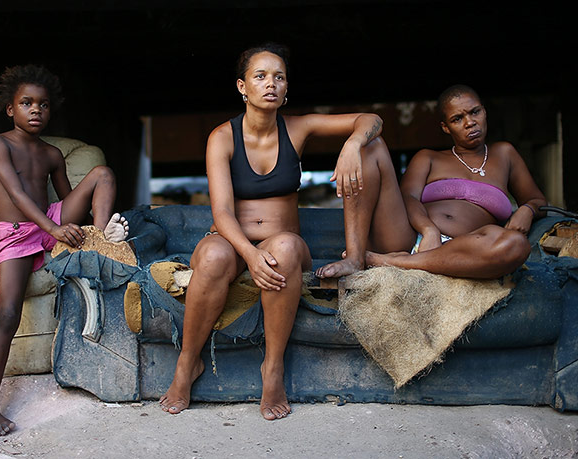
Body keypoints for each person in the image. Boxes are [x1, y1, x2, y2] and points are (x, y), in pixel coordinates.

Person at [159, 43, 403, 421]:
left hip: (282, 242)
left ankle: (272, 370)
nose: (270, 84)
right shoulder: (221, 137)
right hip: (233, 239)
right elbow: (221, 212)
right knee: (211, 255)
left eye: (279, 77)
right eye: (260, 76)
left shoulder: (299, 127)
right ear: (242, 86)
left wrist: (354, 143)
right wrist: (250, 255)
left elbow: (371, 119)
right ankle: (186, 364)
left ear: (287, 88)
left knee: (286, 249)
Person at [0, 64, 128, 436]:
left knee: (103, 173)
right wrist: (54, 228)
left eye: (43, 105)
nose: (36, 110)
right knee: (8, 312)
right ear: (10, 109)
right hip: (17, 231)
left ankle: (100, 235)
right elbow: (14, 193)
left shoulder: (51, 153)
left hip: (50, 222)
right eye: (27, 103)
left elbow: (65, 201)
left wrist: (69, 225)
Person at [362, 84, 547, 278]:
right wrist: (429, 230)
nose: (470, 123)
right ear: (446, 127)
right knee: (371, 150)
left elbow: (537, 200)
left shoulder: (504, 153)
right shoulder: (428, 157)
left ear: (484, 111)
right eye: (457, 119)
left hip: (464, 249)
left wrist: (528, 210)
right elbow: (407, 198)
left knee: (517, 244)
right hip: (412, 238)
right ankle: (414, 259)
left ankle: (396, 262)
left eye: (475, 112)